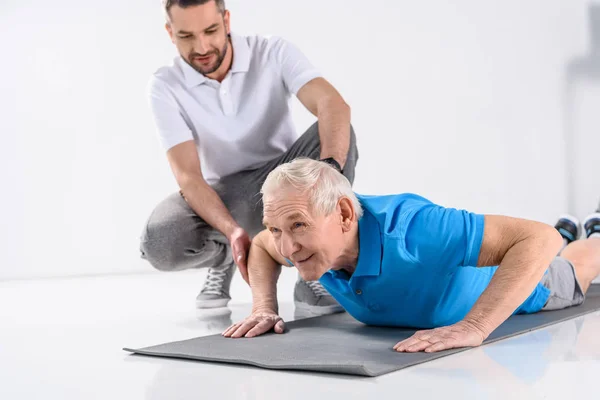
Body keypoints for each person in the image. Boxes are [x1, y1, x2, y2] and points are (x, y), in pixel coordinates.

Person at [222, 158, 600, 353]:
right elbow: (261, 247)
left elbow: (538, 238)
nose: (287, 247)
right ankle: (575, 230)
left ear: (343, 214)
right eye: (277, 228)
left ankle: (592, 233)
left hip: (526, 282)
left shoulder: (417, 230)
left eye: (299, 227)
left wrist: (475, 326)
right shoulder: (300, 241)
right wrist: (262, 307)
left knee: (576, 268)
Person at [140, 0, 358, 313]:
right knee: (159, 243)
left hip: (285, 185)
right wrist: (232, 232)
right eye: (186, 36)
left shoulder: (272, 51)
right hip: (226, 196)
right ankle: (232, 253)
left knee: (340, 130)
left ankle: (314, 266)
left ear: (226, 21)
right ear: (170, 32)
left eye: (211, 30)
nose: (201, 46)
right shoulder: (165, 85)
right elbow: (188, 176)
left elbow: (333, 105)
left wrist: (329, 175)